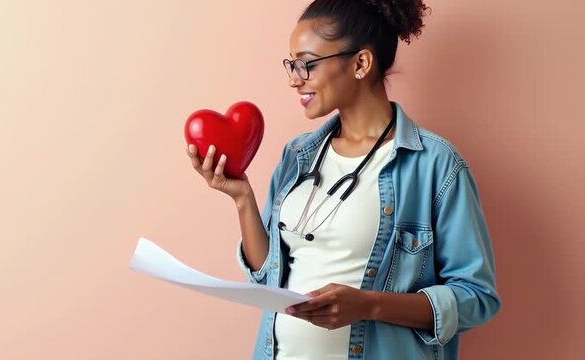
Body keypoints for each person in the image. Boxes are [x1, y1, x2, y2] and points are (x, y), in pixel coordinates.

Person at [184, 0, 500, 359]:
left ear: (360, 63)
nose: (293, 78)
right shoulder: (297, 156)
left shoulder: (435, 166)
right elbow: (267, 275)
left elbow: (476, 298)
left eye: (307, 64)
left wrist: (369, 305)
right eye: (291, 64)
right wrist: (241, 198)